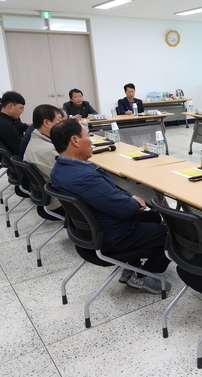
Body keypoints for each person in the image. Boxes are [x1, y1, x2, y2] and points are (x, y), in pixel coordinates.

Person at [49, 119, 171, 293]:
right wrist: (132, 201)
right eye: (87, 136)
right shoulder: (83, 177)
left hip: (94, 229)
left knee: (153, 217)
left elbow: (108, 193)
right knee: (172, 234)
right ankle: (143, 275)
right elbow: (125, 208)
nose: (91, 140)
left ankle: (132, 266)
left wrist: (130, 196)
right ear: (75, 140)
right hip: (113, 235)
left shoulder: (60, 169)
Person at [23, 104, 65, 212]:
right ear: (46, 123)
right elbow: (67, 180)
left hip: (53, 195)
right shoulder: (46, 151)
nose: (63, 124)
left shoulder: (38, 139)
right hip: (62, 202)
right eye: (60, 121)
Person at [0, 91, 26, 155]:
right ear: (10, 106)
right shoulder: (6, 125)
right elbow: (20, 151)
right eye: (21, 108)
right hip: (16, 159)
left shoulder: (0, 119)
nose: (22, 112)